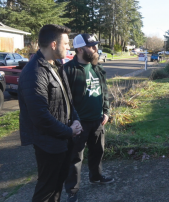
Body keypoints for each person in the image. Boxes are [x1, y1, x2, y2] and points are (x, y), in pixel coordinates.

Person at [18, 24, 83, 202]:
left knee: (57, 185)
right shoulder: (34, 72)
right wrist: (69, 131)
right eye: (66, 43)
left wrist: (75, 120)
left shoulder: (56, 65)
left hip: (62, 140)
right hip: (48, 144)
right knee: (47, 189)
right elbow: (40, 117)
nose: (69, 47)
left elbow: (68, 100)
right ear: (54, 45)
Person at [63, 34, 113, 202]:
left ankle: (96, 176)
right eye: (91, 46)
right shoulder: (68, 70)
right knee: (75, 157)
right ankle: (72, 190)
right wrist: (71, 121)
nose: (94, 49)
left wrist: (106, 111)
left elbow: (104, 92)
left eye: (94, 46)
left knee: (98, 151)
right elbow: (64, 100)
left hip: (98, 120)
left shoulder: (97, 68)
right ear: (79, 49)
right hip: (79, 123)